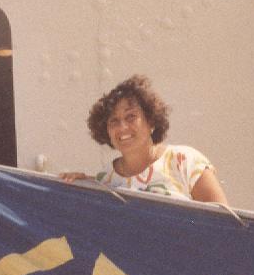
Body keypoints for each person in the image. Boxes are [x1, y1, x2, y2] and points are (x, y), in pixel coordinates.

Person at [60, 75, 228, 204]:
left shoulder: (185, 162)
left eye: (131, 117)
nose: (122, 127)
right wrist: (82, 186)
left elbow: (225, 227)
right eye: (114, 121)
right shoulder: (105, 179)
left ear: (151, 121)